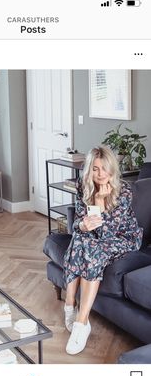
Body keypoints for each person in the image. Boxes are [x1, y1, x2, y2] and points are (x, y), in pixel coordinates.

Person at [63, 146, 143, 355]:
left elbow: (105, 237)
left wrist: (98, 202)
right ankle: (69, 304)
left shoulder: (124, 191)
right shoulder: (84, 186)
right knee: (80, 239)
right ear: (89, 170)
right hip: (97, 236)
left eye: (105, 169)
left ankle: (81, 322)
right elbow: (78, 224)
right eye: (95, 169)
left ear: (112, 169)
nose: (100, 175)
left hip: (124, 238)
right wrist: (81, 226)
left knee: (91, 248)